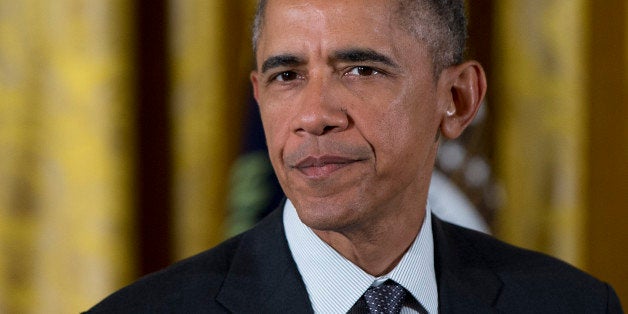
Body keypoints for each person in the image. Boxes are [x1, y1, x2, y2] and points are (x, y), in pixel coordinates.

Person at [86, 0, 623, 313]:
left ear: (457, 99)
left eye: (361, 70)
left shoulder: (572, 306)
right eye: (286, 75)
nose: (313, 114)